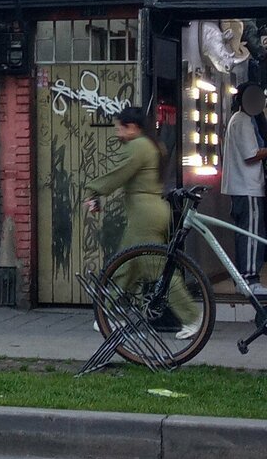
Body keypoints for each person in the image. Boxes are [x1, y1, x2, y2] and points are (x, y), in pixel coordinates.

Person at [84, 105, 201, 340]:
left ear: (133, 128)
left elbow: (119, 173)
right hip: (152, 211)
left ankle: (191, 317)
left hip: (145, 215)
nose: (117, 133)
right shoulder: (154, 145)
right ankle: (109, 313)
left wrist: (93, 190)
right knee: (128, 265)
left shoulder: (139, 147)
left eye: (120, 128)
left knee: (154, 268)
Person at [221, 82, 267, 296]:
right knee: (251, 234)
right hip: (248, 187)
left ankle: (242, 279)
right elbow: (251, 155)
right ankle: (250, 278)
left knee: (245, 234)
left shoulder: (237, 120)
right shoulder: (244, 122)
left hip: (241, 188)